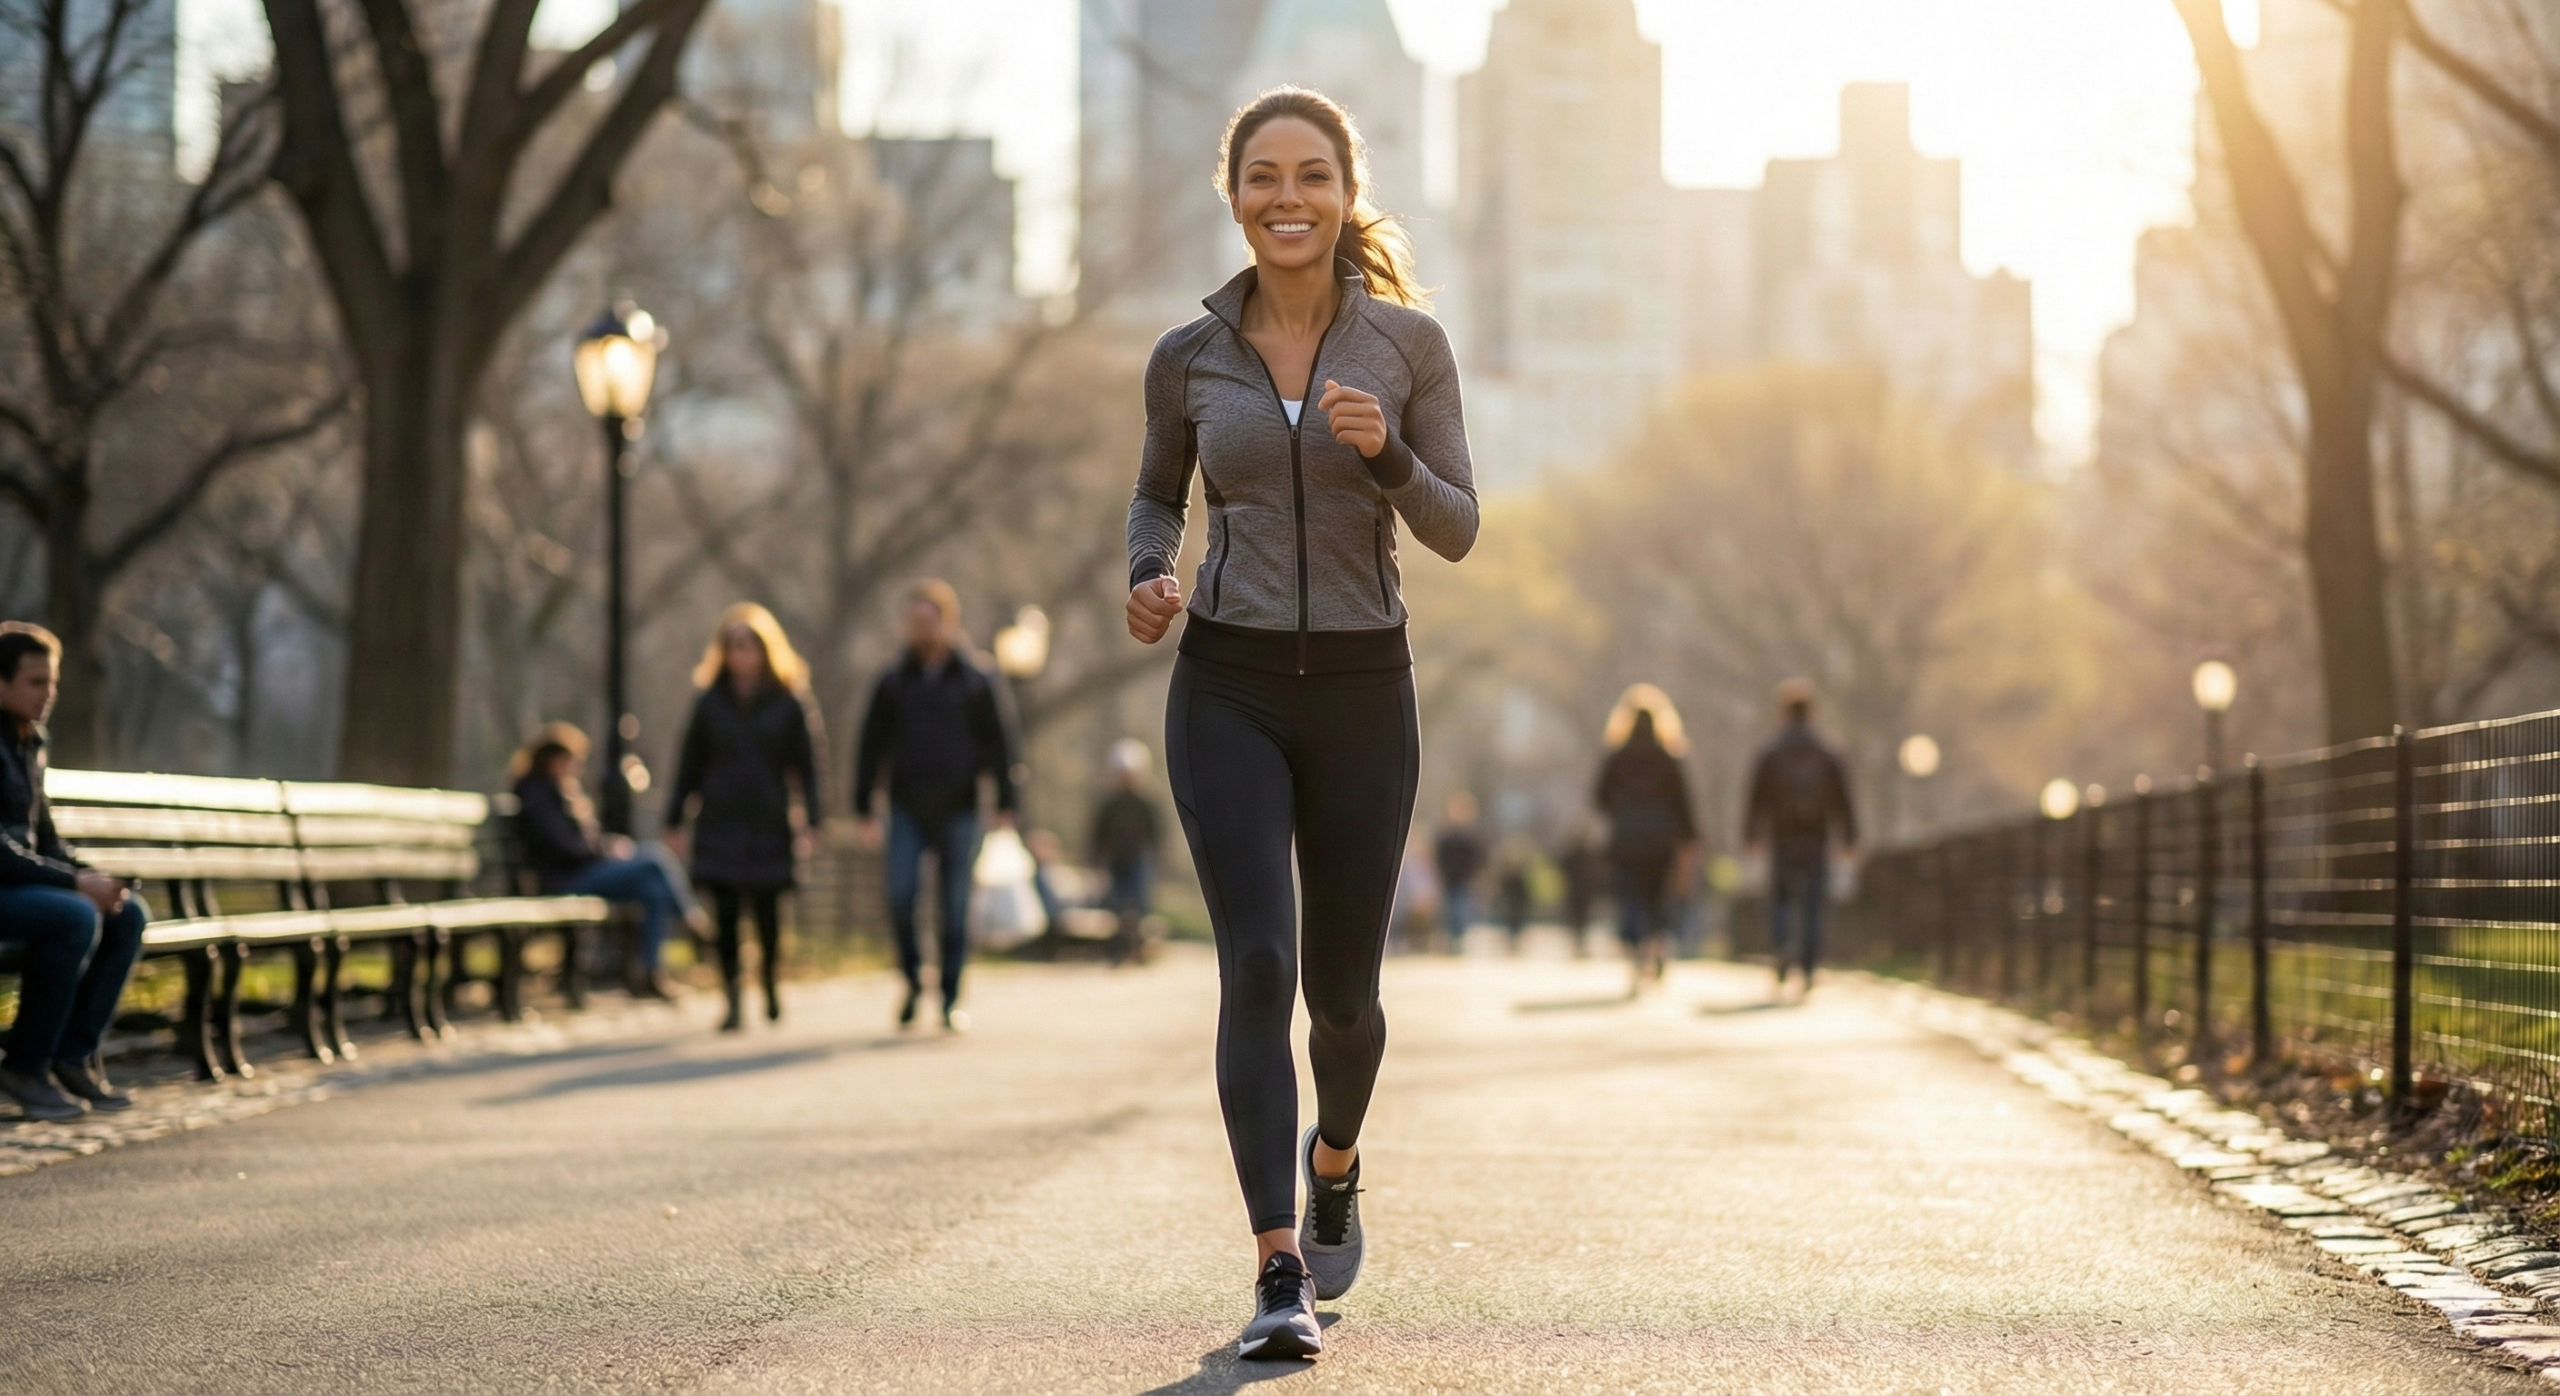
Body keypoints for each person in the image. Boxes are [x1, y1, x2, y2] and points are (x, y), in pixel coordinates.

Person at [1125, 86, 1477, 1360]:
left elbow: (1457, 525)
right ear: (1234, 196)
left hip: (1365, 692)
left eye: (1312, 176)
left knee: (1343, 995)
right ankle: (1279, 1264)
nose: (1288, 197)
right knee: (1258, 969)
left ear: (1345, 193)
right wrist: (1147, 578)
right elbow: (1155, 498)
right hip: (1226, 682)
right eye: (1264, 176)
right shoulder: (1187, 357)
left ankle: (1335, 1160)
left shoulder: (1406, 348)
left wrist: (1385, 455)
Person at [853, 580, 1021, 1033]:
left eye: (930, 621)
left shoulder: (976, 680)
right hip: (906, 806)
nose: (922, 630)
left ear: (949, 622)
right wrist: (864, 806)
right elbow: (871, 746)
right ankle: (911, 980)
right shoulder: (892, 682)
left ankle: (949, 997)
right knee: (901, 895)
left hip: (961, 807)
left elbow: (1000, 744)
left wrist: (1006, 802)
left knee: (955, 905)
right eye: (915, 623)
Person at [0, 623, 145, 1121]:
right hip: (6, 887)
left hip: (22, 886)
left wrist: (95, 876)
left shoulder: (28, 743)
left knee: (127, 913)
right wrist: (75, 884)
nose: (48, 694)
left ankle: (70, 1055)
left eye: (53, 682)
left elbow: (47, 839)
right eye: (35, 682)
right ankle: (25, 1065)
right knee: (74, 915)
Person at [664, 604, 824, 1033]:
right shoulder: (710, 702)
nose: (742, 655)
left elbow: (807, 766)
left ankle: (770, 982)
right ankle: (732, 996)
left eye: (749, 646)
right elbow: (689, 764)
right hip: (720, 817)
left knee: (770, 913)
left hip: (769, 818)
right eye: (734, 647)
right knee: (728, 914)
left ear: (766, 650)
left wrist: (813, 819)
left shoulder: (789, 701)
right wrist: (675, 818)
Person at [508, 722, 687, 999]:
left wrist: (606, 846)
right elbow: (561, 848)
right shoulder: (537, 793)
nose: (577, 769)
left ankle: (650, 972)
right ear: (555, 760)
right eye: (573, 762)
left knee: (652, 890)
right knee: (654, 859)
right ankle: (691, 920)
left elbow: (581, 842)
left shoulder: (559, 791)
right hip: (565, 877)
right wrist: (604, 852)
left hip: (583, 871)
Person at [1745, 678, 1858, 996]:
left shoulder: (1771, 751)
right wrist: (1849, 838)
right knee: (1813, 902)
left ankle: (1782, 947)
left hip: (1782, 835)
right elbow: (1843, 798)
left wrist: (1752, 835)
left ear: (1783, 712)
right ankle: (1808, 966)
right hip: (1816, 835)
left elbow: (1757, 798)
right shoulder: (1828, 750)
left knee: (1780, 897)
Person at [1593, 685, 1699, 996]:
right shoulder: (1669, 757)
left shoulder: (1616, 757)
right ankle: (1656, 944)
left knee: (1629, 897)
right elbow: (1683, 802)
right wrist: (1689, 838)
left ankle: (1634, 947)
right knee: (1657, 898)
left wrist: (1622, 809)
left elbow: (1599, 798)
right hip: (1661, 839)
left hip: (1626, 838)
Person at [1089, 738, 1163, 966]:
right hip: (1115, 858)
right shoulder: (1109, 804)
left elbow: (1156, 834)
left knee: (1137, 905)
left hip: (1138, 857)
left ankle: (1137, 948)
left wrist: (1157, 859)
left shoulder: (1146, 803)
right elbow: (1097, 834)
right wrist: (1096, 861)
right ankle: (1120, 949)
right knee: (1118, 905)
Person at [1431, 793, 1487, 953]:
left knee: (1460, 908)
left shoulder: (1469, 836)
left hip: (1463, 878)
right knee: (1451, 909)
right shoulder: (1446, 836)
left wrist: (1473, 873)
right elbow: (1439, 855)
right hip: (1450, 877)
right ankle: (1452, 938)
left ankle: (1458, 939)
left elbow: (1478, 856)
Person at [1556, 819, 1604, 959]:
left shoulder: (1588, 855)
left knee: (1582, 918)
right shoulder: (1576, 855)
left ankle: (1580, 943)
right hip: (1576, 890)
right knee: (1577, 918)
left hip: (1583, 891)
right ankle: (1577, 943)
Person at [1494, 855, 1531, 955]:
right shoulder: (1510, 878)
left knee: (1516, 922)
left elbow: (1524, 892)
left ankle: (1515, 941)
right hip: (1512, 904)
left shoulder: (1518, 878)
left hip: (1517, 904)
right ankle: (1512, 941)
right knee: (1511, 922)